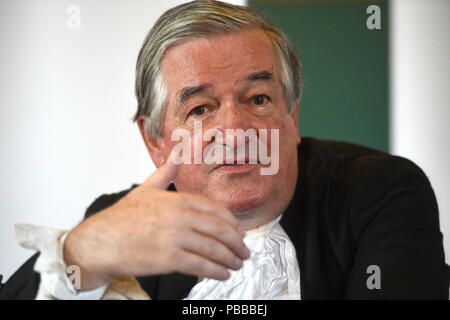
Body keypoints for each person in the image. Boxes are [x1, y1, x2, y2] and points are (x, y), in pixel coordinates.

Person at [1, 0, 448, 300]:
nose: (234, 131)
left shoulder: (380, 191)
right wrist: (80, 253)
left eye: (258, 99)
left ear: (292, 117)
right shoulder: (124, 221)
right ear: (156, 141)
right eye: (200, 109)